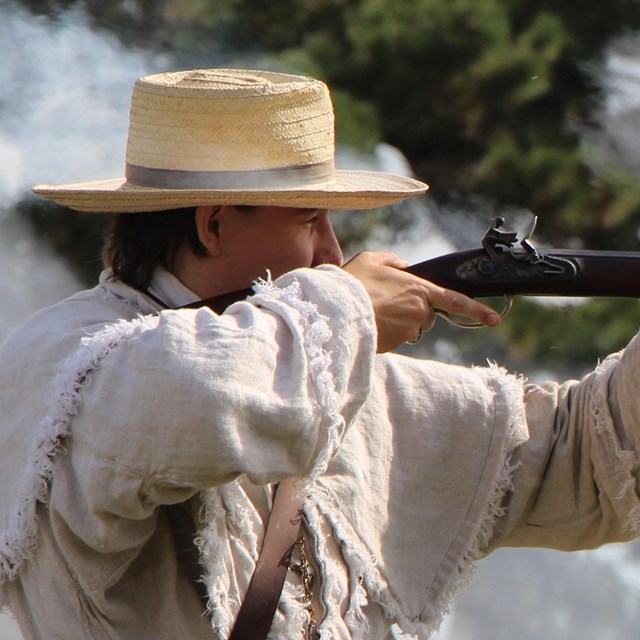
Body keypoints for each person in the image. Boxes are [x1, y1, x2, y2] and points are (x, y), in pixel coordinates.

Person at [1, 68, 639, 640]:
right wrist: (351, 306)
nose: (333, 255)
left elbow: (578, 453)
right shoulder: (69, 357)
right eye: (311, 220)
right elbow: (209, 390)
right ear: (213, 223)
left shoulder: (312, 358)